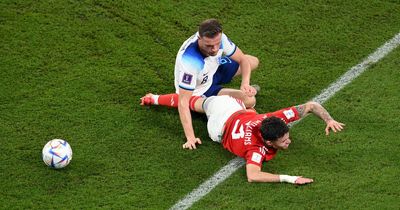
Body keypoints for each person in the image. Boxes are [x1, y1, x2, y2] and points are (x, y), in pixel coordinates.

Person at [141, 19, 259, 150]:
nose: (214, 49)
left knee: (252, 61)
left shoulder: (219, 39)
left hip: (211, 72)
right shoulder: (190, 61)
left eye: (217, 44)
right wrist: (190, 137)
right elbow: (183, 102)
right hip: (198, 91)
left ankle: (155, 98)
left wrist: (245, 83)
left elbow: (243, 60)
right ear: (199, 38)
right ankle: (156, 98)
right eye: (209, 46)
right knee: (249, 100)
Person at [185, 94, 344, 184]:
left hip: (238, 112)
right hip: (218, 125)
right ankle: (161, 97)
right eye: (283, 141)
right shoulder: (256, 149)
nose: (289, 141)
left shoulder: (277, 118)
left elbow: (312, 105)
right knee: (193, 101)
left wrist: (329, 120)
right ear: (268, 142)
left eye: (287, 137)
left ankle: (236, 93)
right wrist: (290, 179)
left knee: (250, 103)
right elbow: (253, 175)